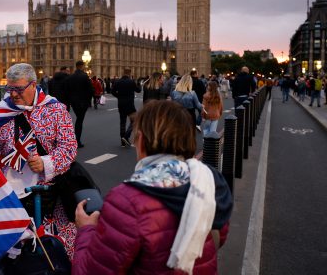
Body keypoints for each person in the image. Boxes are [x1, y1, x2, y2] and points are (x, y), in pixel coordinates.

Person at [72, 100, 232, 274]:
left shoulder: (128, 200)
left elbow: (90, 271)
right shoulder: (208, 181)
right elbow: (218, 238)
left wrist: (86, 229)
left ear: (140, 140)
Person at [0, 63, 78, 258]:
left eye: (18, 89)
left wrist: (46, 162)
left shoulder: (56, 110)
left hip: (47, 197)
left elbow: (69, 148)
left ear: (33, 85)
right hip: (12, 199)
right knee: (17, 255)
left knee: (51, 253)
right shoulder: (2, 112)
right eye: (9, 89)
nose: (13, 94)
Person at [64, 61, 94, 148]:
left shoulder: (70, 77)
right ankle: (77, 141)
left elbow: (67, 90)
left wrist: (70, 100)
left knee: (78, 119)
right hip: (83, 102)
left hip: (74, 102)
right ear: (82, 66)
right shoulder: (84, 76)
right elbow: (91, 89)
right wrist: (88, 100)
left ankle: (75, 139)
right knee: (79, 120)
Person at [112, 68, 141, 147]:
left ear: (123, 72)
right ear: (129, 73)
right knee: (134, 121)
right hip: (130, 105)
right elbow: (138, 90)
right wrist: (138, 84)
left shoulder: (118, 81)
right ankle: (126, 136)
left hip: (121, 104)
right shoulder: (131, 82)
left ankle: (123, 142)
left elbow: (112, 91)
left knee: (122, 123)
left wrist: (119, 97)